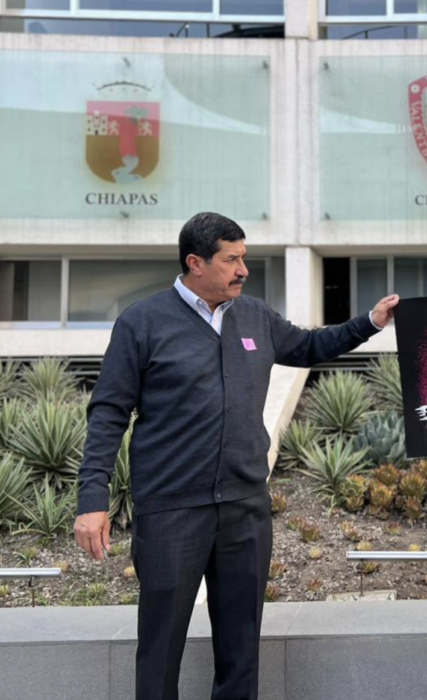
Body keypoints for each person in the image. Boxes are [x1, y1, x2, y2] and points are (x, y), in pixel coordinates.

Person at [74, 212, 399, 700]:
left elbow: (310, 345)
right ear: (195, 263)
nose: (243, 270)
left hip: (245, 509)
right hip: (172, 512)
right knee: (161, 648)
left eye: (243, 258)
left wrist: (370, 322)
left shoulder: (254, 317)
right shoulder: (142, 323)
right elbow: (107, 414)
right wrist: (91, 498)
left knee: (241, 650)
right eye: (231, 260)